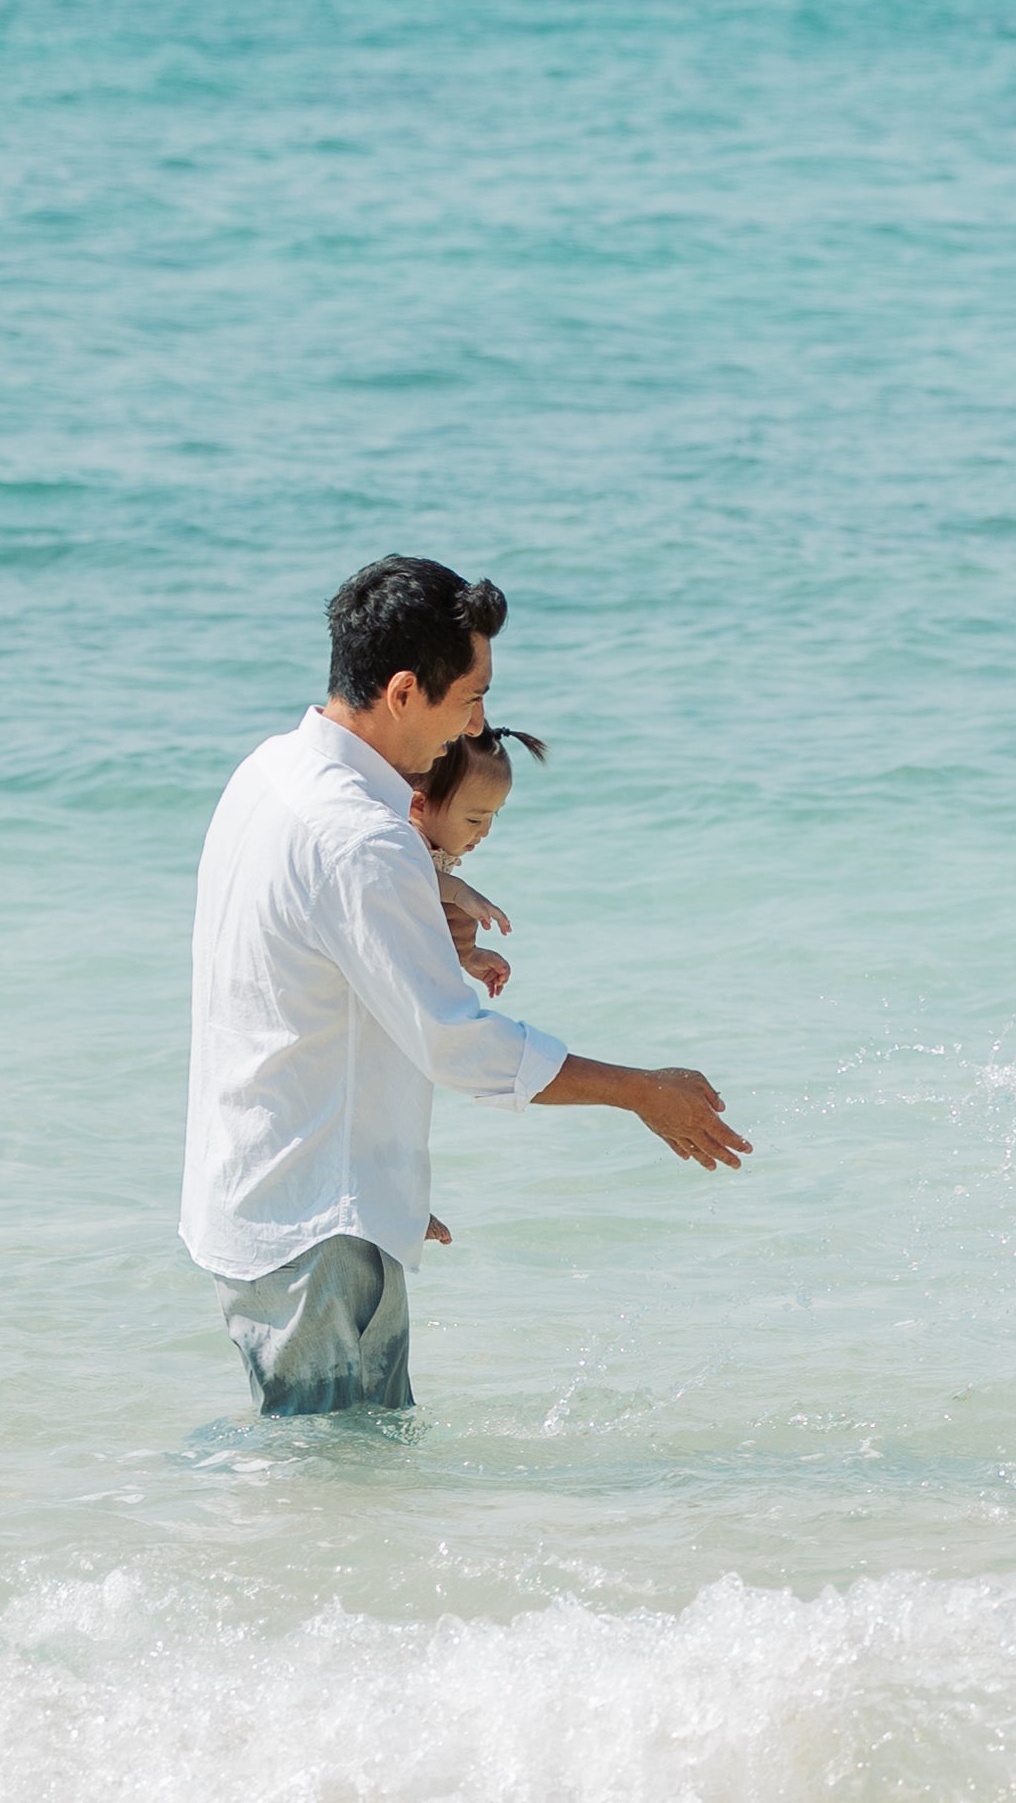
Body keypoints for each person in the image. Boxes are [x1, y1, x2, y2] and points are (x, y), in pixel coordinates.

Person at [180, 555, 750, 1416]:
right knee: (337, 1502)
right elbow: (455, 1042)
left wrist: (386, 1185)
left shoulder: (269, 772)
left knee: (316, 1489)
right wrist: (640, 1093)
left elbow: (304, 986)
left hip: (274, 1202)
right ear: (404, 691)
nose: (479, 722)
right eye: (470, 698)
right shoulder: (361, 838)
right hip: (317, 1235)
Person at [411, 723, 543, 993]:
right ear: (419, 805)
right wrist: (459, 891)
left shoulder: (436, 845)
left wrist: (469, 956)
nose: (484, 831)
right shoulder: (404, 840)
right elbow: (403, 875)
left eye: (491, 816)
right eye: (474, 819)